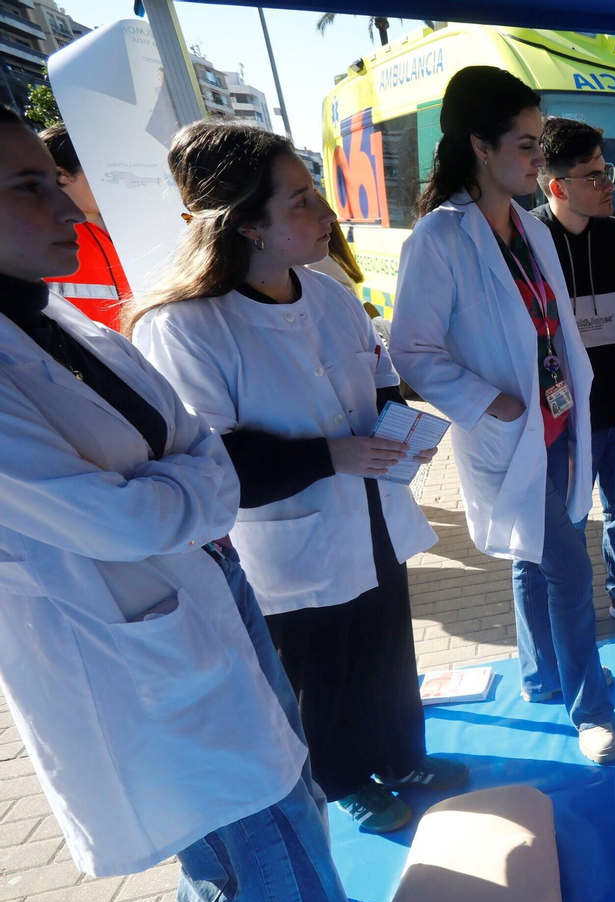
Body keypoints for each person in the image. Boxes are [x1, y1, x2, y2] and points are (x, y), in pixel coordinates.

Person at [0, 106, 371, 902]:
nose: (66, 208)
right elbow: (123, 512)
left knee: (280, 771)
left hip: (201, 583)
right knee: (235, 814)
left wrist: (184, 483)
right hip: (127, 635)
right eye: (27, 187)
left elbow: (196, 448)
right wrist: (191, 485)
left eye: (55, 182)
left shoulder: (59, 323)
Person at [130, 120, 465, 834]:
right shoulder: (185, 327)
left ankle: (403, 755)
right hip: (288, 536)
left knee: (384, 646)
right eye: (301, 200)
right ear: (249, 226)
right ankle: (342, 778)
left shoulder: (332, 295)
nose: (324, 213)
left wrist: (402, 431)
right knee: (324, 667)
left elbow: (379, 385)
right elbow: (211, 462)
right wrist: (332, 456)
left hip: (369, 512)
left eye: (315, 193)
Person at [389, 66, 615, 764]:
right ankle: (591, 708)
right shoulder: (440, 238)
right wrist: (491, 402)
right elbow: (413, 350)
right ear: (479, 147)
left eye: (538, 142)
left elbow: (549, 329)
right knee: (569, 569)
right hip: (511, 428)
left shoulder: (530, 228)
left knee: (533, 557)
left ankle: (541, 674)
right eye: (525, 144)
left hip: (554, 423)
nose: (536, 157)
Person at [532, 117, 615, 636]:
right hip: (562, 416)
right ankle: (566, 611)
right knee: (565, 522)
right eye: (594, 176)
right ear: (557, 186)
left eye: (606, 169)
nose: (610, 183)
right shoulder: (531, 239)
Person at [39, 123, 131, 330]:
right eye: (98, 169)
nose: (109, 179)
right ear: (62, 174)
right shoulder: (37, 238)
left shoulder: (131, 222)